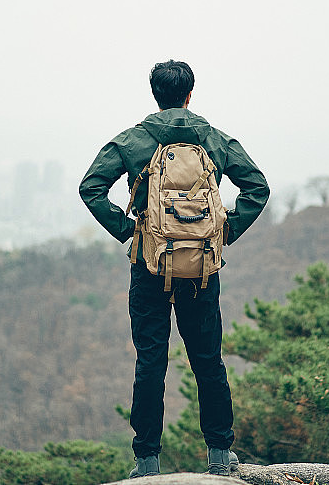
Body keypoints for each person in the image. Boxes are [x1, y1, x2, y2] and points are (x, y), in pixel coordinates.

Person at [79, 60, 269, 477]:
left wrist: (130, 230)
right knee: (208, 359)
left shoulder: (135, 140)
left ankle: (147, 462)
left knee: (151, 361)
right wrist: (224, 233)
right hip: (201, 268)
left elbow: (90, 186)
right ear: (189, 95)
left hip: (149, 266)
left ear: (155, 95)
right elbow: (258, 186)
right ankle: (220, 455)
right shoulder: (213, 139)